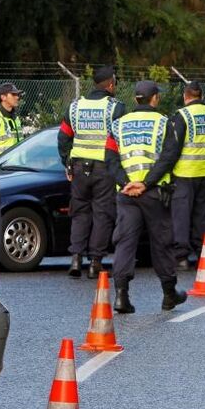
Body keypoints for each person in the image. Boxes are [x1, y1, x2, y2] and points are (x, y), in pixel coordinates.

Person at [105, 80, 188, 313]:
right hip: (153, 193)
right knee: (162, 242)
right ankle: (169, 294)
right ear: (155, 99)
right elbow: (169, 157)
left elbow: (110, 159)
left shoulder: (118, 125)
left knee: (125, 241)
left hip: (126, 193)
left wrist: (126, 182)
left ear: (135, 99)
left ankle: (121, 297)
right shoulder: (164, 123)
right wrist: (146, 183)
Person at [57, 65, 126, 279]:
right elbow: (120, 139)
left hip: (79, 169)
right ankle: (95, 262)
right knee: (102, 215)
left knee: (79, 213)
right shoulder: (115, 108)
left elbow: (63, 137)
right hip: (104, 169)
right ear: (111, 84)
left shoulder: (75, 107)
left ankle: (76, 258)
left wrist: (67, 162)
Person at [167, 80, 205, 270]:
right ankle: (204, 252)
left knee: (181, 215)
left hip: (185, 173)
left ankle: (181, 256)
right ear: (202, 96)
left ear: (185, 96)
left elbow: (174, 148)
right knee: (202, 215)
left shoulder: (182, 115)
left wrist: (166, 171)